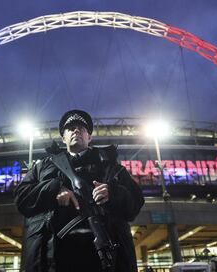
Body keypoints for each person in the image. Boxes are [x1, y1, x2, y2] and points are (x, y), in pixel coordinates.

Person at [14, 109, 144, 272]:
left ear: (89, 137)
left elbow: (136, 202)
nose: (76, 130)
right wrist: (54, 188)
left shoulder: (112, 167)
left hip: (105, 258)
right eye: (71, 128)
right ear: (63, 138)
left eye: (82, 129)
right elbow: (21, 198)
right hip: (53, 258)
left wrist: (113, 193)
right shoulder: (43, 167)